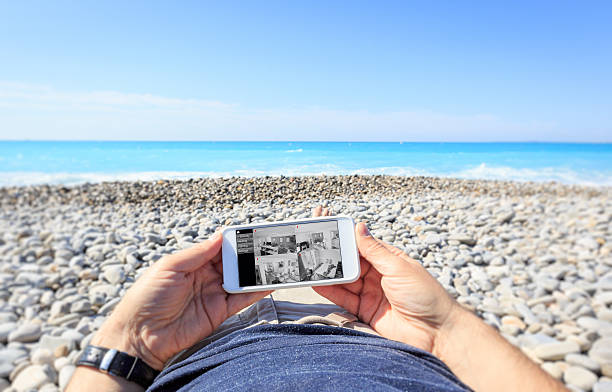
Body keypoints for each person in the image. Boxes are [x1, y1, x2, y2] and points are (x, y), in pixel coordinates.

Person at [67, 207, 566, 392]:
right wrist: (445, 330)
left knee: (277, 273)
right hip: (387, 342)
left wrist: (133, 344)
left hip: (221, 350)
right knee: (314, 268)